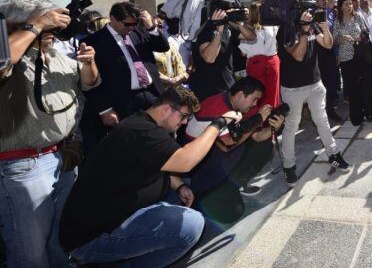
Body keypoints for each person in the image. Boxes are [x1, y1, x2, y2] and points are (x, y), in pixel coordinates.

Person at [59, 86, 241, 267]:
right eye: (184, 116)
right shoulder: (142, 131)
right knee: (191, 226)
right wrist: (217, 124)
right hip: (92, 237)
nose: (185, 122)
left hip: (113, 216)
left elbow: (159, 165)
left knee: (180, 202)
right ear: (167, 109)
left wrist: (178, 186)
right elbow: (186, 161)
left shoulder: (143, 125)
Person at [0, 0, 99, 268]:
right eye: (46, 23)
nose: (52, 31)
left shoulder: (55, 54)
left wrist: (89, 62)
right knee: (30, 254)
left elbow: (89, 83)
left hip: (64, 159)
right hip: (23, 167)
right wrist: (35, 25)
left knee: (59, 242)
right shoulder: (12, 54)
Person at [184, 77, 283, 223]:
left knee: (265, 147)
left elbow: (257, 136)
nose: (256, 104)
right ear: (241, 94)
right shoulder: (217, 107)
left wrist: (275, 127)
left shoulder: (234, 104)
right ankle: (201, 195)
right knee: (232, 213)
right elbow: (227, 145)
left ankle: (236, 182)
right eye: (254, 99)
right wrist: (257, 120)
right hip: (203, 167)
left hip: (218, 158)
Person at [81, 1, 169, 148]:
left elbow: (163, 47)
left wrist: (151, 27)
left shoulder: (138, 31)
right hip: (123, 102)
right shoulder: (93, 42)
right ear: (112, 18)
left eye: (135, 23)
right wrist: (104, 108)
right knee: (132, 146)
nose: (131, 28)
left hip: (152, 94)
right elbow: (92, 81)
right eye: (127, 24)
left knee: (159, 142)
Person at [278, 9, 350, 186]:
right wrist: (303, 30)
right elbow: (298, 55)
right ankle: (289, 166)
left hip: (315, 84)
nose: (309, 14)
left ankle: (333, 154)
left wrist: (324, 28)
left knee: (322, 120)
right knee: (291, 126)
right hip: (293, 88)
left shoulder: (313, 26)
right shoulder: (286, 29)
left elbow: (327, 44)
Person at [189, 0, 256, 101]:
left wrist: (240, 24)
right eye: (228, 9)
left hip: (228, 84)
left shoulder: (228, 25)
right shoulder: (206, 28)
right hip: (209, 89)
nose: (231, 12)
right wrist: (219, 30)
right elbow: (209, 58)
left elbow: (251, 37)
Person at [334, 0, 372, 126]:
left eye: (350, 3)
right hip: (346, 58)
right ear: (341, 7)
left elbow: (366, 32)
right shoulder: (337, 21)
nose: (349, 6)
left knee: (365, 85)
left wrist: (359, 38)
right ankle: (356, 117)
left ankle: (369, 112)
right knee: (353, 89)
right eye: (346, 4)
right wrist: (343, 38)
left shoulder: (357, 16)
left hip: (361, 55)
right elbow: (334, 40)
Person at [240, 2, 281, 109]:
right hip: (273, 61)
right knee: (273, 94)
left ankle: (256, 120)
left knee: (254, 95)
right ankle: (271, 120)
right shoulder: (273, 26)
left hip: (256, 63)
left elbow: (243, 52)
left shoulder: (247, 29)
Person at [313, 0, 344, 123]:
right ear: (316, 1)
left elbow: (335, 34)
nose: (325, 1)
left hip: (330, 52)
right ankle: (318, 114)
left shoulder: (331, 13)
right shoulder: (310, 15)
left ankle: (330, 110)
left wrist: (336, 53)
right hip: (316, 54)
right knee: (318, 85)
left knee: (331, 83)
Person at [155, 18, 189, 91]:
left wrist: (179, 77)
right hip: (159, 91)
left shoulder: (169, 45)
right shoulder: (145, 49)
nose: (157, 29)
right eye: (154, 27)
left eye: (160, 26)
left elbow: (181, 65)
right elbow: (150, 71)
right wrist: (169, 80)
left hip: (176, 88)